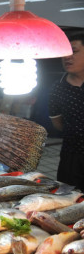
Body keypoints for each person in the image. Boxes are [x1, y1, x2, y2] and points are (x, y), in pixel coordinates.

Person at [48, 33, 84, 190]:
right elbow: (58, 124)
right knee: (68, 199)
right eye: (64, 53)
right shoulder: (58, 88)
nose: (67, 57)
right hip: (71, 157)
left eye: (74, 51)